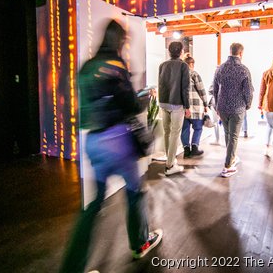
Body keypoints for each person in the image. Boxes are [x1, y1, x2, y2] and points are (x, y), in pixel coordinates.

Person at [60, 20, 162, 273]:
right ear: (119, 40)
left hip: (92, 141)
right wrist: (145, 94)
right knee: (135, 191)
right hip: (117, 140)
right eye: (125, 40)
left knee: (94, 204)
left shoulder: (87, 66)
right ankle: (140, 243)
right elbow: (131, 106)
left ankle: (73, 268)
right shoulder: (116, 66)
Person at [213, 42, 254, 178]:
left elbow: (215, 89)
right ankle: (227, 166)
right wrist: (248, 105)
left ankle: (232, 157)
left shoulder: (220, 69)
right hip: (237, 108)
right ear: (241, 53)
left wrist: (217, 106)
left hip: (222, 108)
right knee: (234, 137)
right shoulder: (243, 69)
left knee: (228, 135)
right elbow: (248, 91)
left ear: (230, 51)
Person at [158, 41, 191, 175]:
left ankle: (170, 160)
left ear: (169, 52)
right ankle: (170, 165)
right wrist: (187, 107)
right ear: (181, 52)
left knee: (167, 132)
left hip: (163, 102)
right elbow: (185, 88)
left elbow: (161, 84)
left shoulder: (162, 65)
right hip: (176, 103)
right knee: (175, 133)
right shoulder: (183, 66)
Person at [181, 56, 208, 157]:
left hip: (184, 108)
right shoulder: (194, 74)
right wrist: (206, 104)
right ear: (192, 64)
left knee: (185, 129)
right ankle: (195, 148)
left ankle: (186, 150)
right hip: (196, 107)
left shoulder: (180, 75)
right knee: (198, 128)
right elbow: (201, 90)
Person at [259, 53, 273, 163]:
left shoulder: (266, 73)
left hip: (268, 106)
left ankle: (267, 149)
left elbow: (262, 91)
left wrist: (260, 104)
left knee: (269, 126)